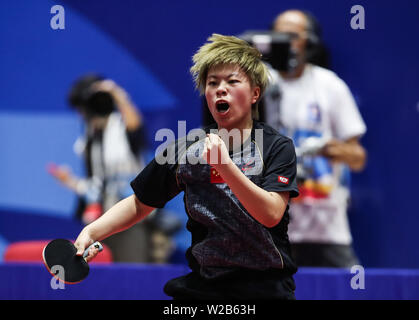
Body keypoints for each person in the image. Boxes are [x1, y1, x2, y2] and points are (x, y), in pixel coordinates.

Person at [74, 34, 300, 299]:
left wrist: (225, 167)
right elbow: (140, 202)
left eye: (232, 81)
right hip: (205, 287)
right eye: (212, 83)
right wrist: (91, 231)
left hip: (265, 288)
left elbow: (271, 213)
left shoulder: (276, 147)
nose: (220, 89)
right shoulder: (186, 148)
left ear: (255, 93)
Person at [262, 10, 367, 268]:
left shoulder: (329, 85)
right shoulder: (258, 85)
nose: (284, 42)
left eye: (291, 36)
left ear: (308, 42)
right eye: (278, 36)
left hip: (326, 226)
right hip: (274, 225)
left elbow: (358, 159)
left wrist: (330, 149)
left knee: (347, 291)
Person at [49, 74, 154, 262]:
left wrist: (114, 92)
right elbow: (95, 185)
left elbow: (135, 125)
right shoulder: (89, 139)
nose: (83, 113)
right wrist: (70, 182)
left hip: (132, 215)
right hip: (102, 219)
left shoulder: (122, 125)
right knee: (102, 276)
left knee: (130, 272)